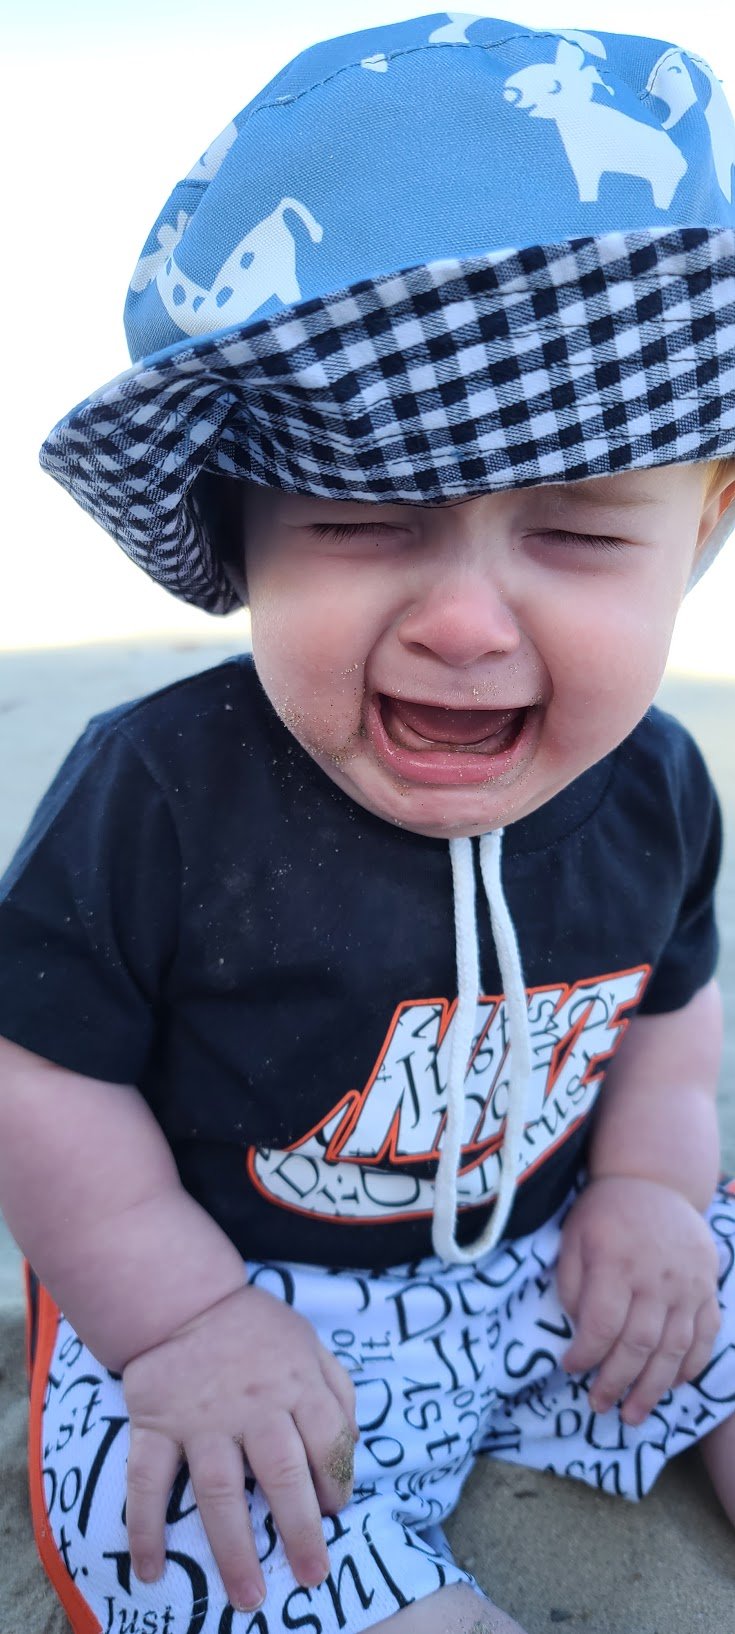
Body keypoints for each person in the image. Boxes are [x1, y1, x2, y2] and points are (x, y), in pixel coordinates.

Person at [2, 13, 735, 1633]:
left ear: (703, 527)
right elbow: (40, 1067)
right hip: (237, 1288)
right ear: (246, 530)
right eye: (362, 521)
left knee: (721, 1272)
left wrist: (655, 1193)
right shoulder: (159, 794)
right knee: (198, 1518)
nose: (466, 621)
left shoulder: (661, 785)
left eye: (575, 531)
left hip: (554, 1253)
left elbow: (673, 1026)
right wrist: (181, 1319)